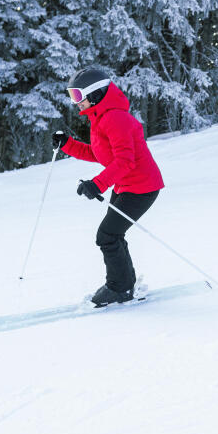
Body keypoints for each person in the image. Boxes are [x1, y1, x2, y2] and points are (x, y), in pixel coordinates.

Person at [53, 67, 164, 307]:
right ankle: (124, 283)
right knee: (112, 234)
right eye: (73, 96)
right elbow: (99, 153)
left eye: (78, 95)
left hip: (141, 188)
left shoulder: (115, 118)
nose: (76, 102)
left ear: (95, 94)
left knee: (107, 235)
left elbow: (125, 160)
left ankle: (120, 287)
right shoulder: (101, 117)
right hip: (126, 185)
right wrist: (67, 145)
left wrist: (98, 184)